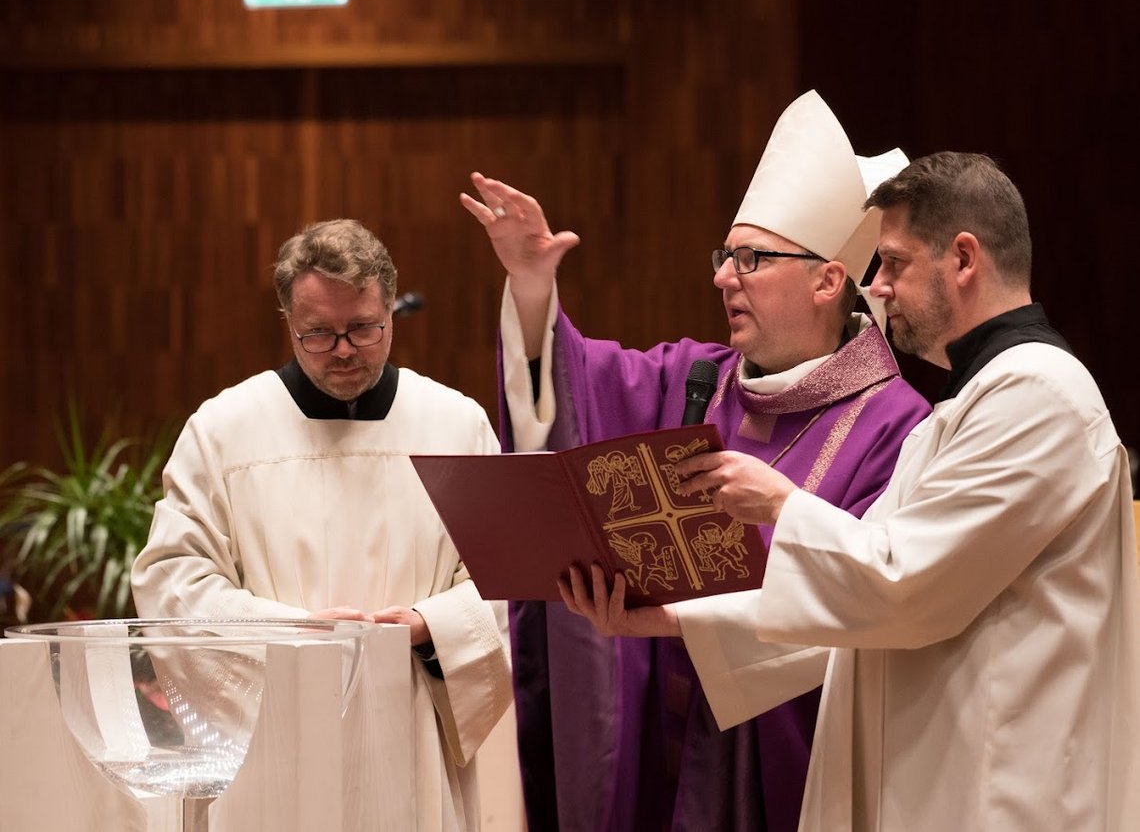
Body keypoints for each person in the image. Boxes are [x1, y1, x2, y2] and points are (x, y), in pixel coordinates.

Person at [563, 152, 1140, 830]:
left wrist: (782, 503)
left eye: (893, 263)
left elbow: (899, 583)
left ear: (962, 259)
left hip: (1002, 794)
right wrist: (674, 618)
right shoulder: (971, 406)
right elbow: (854, 614)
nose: (880, 288)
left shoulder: (1037, 394)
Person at [460, 91, 932, 831]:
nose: (722, 276)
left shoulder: (896, 428)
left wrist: (681, 620)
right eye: (725, 255)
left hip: (788, 765)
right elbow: (575, 386)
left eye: (750, 258)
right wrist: (532, 285)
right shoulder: (695, 381)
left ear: (827, 279)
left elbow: (866, 604)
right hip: (660, 746)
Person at [131, 219, 514, 832]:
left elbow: (508, 575)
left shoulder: (455, 425)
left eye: (363, 328)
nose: (343, 349)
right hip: (275, 741)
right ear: (288, 320)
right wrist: (297, 636)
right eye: (319, 333)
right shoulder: (226, 429)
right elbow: (172, 581)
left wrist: (430, 626)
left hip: (409, 729)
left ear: (391, 307)